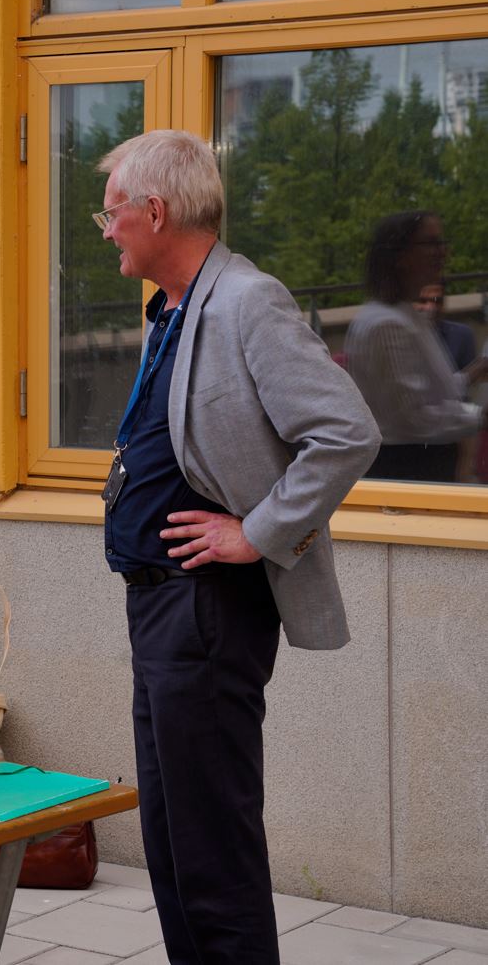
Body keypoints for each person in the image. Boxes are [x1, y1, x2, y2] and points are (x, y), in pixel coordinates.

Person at [95, 130, 379, 963]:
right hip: (161, 606)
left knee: (211, 847)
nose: (105, 231)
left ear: (154, 211)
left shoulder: (247, 301)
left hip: (207, 612)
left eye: (110, 213)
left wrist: (255, 534)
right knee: (171, 838)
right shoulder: (173, 308)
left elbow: (345, 432)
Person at [345, 213, 486, 482]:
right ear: (400, 256)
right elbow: (412, 419)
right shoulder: (387, 324)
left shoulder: (404, 316)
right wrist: (479, 417)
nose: (442, 251)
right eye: (431, 243)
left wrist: (473, 373)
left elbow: (428, 395)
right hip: (411, 469)